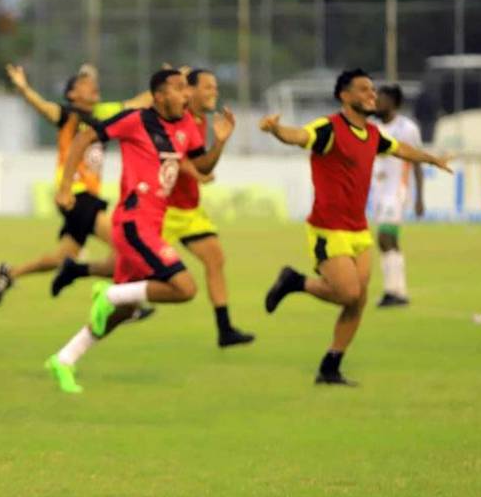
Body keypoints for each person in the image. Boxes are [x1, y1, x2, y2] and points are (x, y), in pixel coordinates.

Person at [260, 68, 453, 387]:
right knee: (347, 292)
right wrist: (276, 129)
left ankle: (330, 366)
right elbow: (300, 136)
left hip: (357, 230)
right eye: (363, 90)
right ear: (344, 96)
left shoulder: (374, 135)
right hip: (327, 229)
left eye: (372, 90)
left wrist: (431, 159)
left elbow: (401, 149)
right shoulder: (330, 128)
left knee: (357, 299)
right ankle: (294, 282)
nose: (371, 94)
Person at [44, 69, 231, 394]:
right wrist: (65, 187)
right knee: (185, 288)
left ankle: (65, 358)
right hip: (133, 221)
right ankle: (108, 292)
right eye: (177, 89)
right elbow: (84, 137)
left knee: (123, 312)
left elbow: (202, 167)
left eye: (186, 90)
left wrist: (221, 142)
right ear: (159, 96)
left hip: (153, 222)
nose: (186, 96)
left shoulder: (187, 125)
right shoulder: (135, 120)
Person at [0, 64, 151, 305]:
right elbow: (44, 107)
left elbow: (136, 104)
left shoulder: (103, 113)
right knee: (125, 244)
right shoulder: (68, 115)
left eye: (92, 82)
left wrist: (166, 86)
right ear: (72, 94)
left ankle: (9, 272)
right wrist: (24, 88)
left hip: (85, 197)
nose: (92, 85)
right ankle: (123, 301)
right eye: (83, 83)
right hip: (75, 196)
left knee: (61, 257)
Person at [162, 69, 253, 347]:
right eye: (208, 87)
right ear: (189, 90)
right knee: (124, 266)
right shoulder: (179, 118)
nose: (215, 91)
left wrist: (220, 142)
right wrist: (199, 174)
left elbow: (200, 160)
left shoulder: (201, 120)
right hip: (163, 210)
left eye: (216, 86)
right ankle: (80, 271)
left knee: (215, 258)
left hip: (189, 210)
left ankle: (225, 330)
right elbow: (176, 157)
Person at [369, 83, 423, 307]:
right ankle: (395, 290)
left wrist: (420, 196)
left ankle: (396, 292)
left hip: (397, 190)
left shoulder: (407, 128)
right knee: (386, 241)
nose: (376, 102)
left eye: (380, 98)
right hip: (379, 192)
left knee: (385, 237)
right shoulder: (372, 128)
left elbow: (417, 161)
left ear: (393, 102)